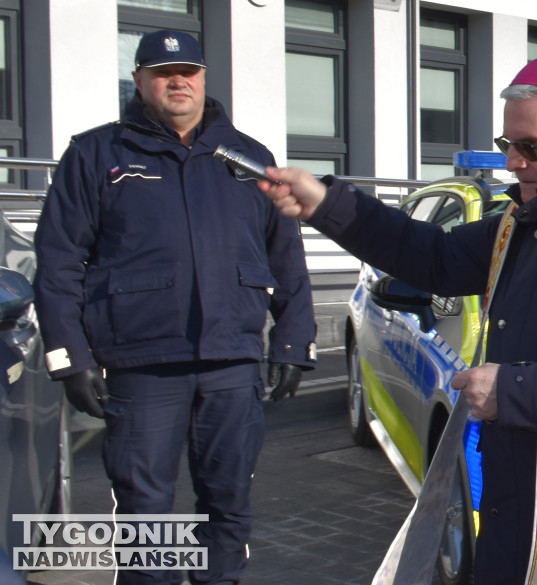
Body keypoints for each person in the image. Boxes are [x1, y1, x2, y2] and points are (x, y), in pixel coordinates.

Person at [259, 48, 537, 585]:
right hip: (517, 511)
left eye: (529, 147)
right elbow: (437, 258)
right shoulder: (530, 218)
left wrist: (511, 391)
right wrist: (325, 204)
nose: (512, 162)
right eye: (507, 145)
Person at [33, 30, 317, 585]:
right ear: (139, 81)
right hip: (143, 365)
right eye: (163, 73)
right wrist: (69, 356)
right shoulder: (95, 154)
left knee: (228, 500)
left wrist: (292, 341)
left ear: (203, 78)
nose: (177, 81)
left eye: (187, 71)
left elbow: (285, 255)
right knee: (145, 511)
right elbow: (59, 262)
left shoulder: (249, 157)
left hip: (231, 360)